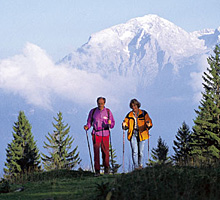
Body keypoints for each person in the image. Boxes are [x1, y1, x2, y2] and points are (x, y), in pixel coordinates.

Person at [84, 97, 115, 176]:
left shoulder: (108, 112)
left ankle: (106, 169)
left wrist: (109, 123)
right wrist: (87, 126)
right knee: (96, 152)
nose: (100, 105)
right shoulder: (93, 111)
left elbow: (112, 125)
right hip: (96, 134)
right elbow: (89, 122)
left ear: (104, 103)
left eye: (101, 103)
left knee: (106, 152)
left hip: (105, 134)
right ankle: (97, 171)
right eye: (99, 103)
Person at [122, 99, 153, 170]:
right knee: (134, 151)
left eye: (135, 105)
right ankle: (136, 167)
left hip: (142, 133)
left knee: (140, 152)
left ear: (138, 105)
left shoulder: (144, 113)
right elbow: (125, 124)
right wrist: (124, 125)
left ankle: (140, 165)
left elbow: (149, 122)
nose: (134, 107)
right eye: (132, 106)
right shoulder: (129, 115)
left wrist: (149, 124)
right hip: (133, 133)